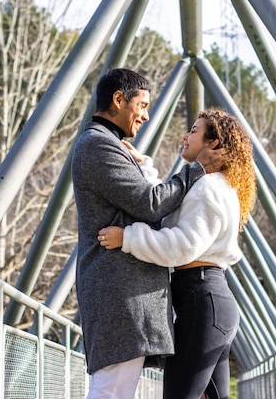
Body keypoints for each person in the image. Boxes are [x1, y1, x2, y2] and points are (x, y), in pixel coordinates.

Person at [71, 69, 225, 399]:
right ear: (118, 100)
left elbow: (147, 198)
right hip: (119, 294)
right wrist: (197, 169)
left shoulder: (108, 145)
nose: (146, 115)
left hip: (123, 295)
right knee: (111, 392)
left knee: (114, 391)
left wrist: (143, 168)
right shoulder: (98, 145)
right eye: (142, 105)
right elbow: (151, 203)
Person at [98, 108, 257, 399]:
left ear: (213, 143)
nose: (185, 136)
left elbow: (182, 246)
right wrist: (144, 165)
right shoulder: (218, 186)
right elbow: (169, 204)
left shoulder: (207, 186)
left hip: (202, 301)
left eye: (194, 131)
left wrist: (128, 237)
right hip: (211, 301)